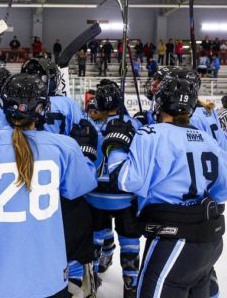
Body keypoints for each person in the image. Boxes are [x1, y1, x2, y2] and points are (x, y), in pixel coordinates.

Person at [0, 73, 98, 298]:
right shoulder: (64, 147)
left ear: (3, 105)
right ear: (42, 108)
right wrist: (87, 154)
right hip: (49, 276)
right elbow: (80, 186)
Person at [102, 76, 227, 298]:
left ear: (160, 102)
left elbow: (127, 180)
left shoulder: (150, 135)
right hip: (209, 241)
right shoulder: (205, 137)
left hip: (173, 241)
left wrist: (115, 146)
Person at [85, 79, 142, 297]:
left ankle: (94, 274)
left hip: (94, 194)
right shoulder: (133, 125)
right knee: (130, 239)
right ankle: (131, 282)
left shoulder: (87, 123)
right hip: (125, 194)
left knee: (96, 235)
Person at [0, 58, 83, 137]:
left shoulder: (0, 100)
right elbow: (83, 135)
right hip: (55, 159)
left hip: (6, 156)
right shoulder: (67, 104)